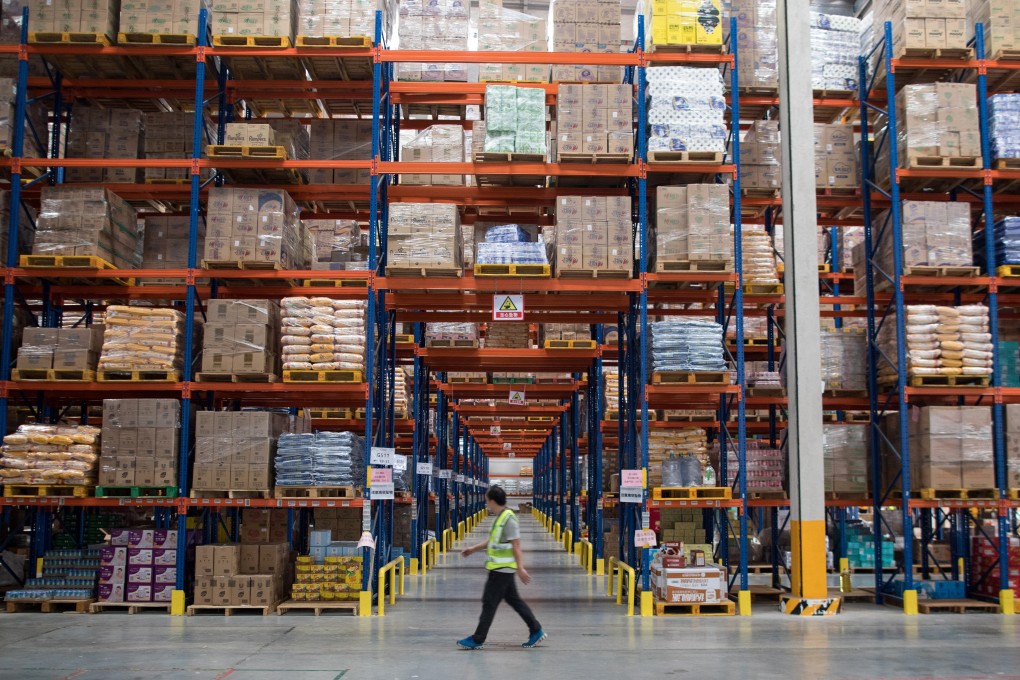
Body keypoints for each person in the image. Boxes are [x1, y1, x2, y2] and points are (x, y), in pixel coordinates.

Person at [457, 485, 546, 650]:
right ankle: (536, 630)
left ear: (492, 501)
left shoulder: (509, 519)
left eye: (487, 501)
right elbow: (492, 540)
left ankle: (478, 638)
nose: (486, 504)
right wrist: (472, 549)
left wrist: (520, 568)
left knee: (489, 603)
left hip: (502, 570)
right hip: (500, 569)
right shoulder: (500, 518)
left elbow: (516, 545)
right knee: (514, 601)